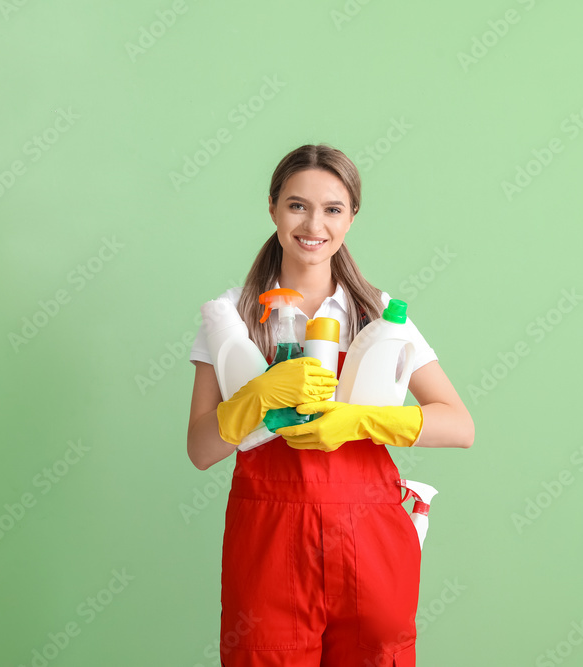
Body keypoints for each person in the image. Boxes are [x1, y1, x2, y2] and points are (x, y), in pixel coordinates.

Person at [186, 143, 474, 666]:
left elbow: (459, 424)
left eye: (333, 208)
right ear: (272, 207)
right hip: (269, 545)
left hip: (371, 539)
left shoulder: (381, 315)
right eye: (297, 205)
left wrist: (360, 421)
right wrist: (254, 397)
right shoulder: (232, 318)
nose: (313, 224)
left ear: (352, 217)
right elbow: (201, 450)